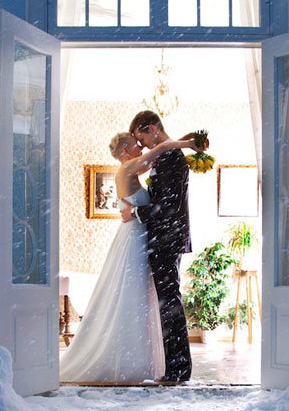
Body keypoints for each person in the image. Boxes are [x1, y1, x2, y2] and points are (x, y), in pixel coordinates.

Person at [59, 130, 201, 384]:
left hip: (137, 236)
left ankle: (134, 358)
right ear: (125, 151)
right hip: (135, 237)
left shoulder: (130, 169)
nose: (141, 148)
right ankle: (126, 360)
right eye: (136, 145)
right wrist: (188, 144)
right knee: (133, 296)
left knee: (136, 296)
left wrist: (183, 137)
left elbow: (158, 155)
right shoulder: (127, 168)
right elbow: (159, 150)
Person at [120, 110, 193, 383]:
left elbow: (168, 206)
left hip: (167, 239)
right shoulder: (167, 154)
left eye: (142, 139)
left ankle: (178, 371)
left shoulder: (172, 158)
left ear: (151, 128)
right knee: (168, 303)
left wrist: (136, 214)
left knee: (170, 303)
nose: (143, 146)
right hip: (166, 238)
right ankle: (176, 368)